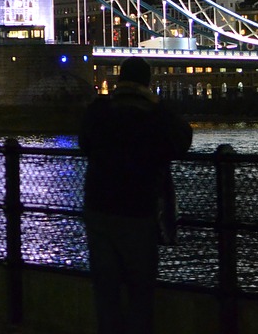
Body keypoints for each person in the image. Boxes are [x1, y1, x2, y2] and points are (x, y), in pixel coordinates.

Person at [79, 56, 192, 334]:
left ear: (119, 81)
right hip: (139, 211)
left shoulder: (99, 111)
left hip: (99, 209)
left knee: (106, 293)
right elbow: (182, 141)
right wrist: (159, 105)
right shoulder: (154, 117)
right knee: (140, 293)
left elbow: (84, 143)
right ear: (147, 83)